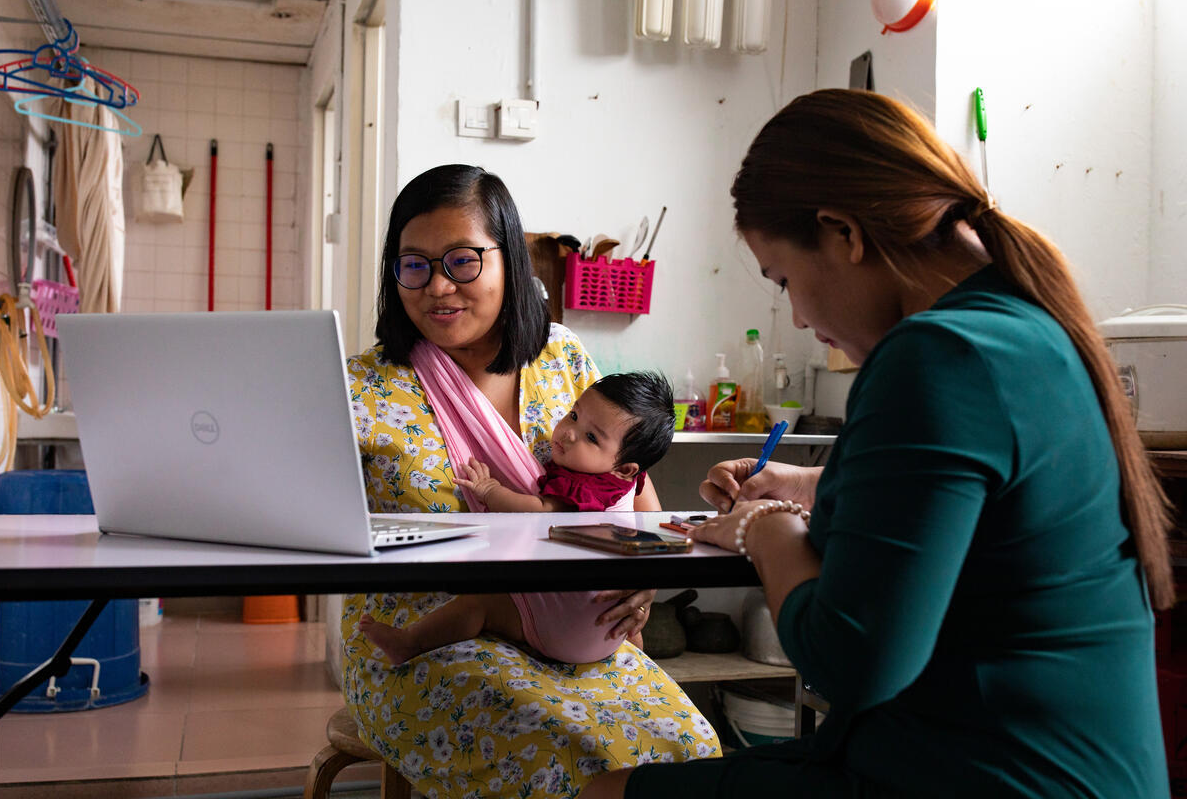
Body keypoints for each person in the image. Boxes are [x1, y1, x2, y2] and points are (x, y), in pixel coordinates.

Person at [586, 89, 1173, 798]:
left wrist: (762, 530)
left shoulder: (937, 355)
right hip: (1052, 764)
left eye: (784, 281)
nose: (798, 317)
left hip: (992, 773)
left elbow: (849, 662)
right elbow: (968, 509)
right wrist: (808, 487)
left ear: (843, 234)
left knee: (606, 791)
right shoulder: (1026, 328)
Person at [341, 164, 720, 798]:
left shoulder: (564, 357)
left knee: (690, 752)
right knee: (554, 753)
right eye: (413, 265)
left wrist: (643, 582)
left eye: (462, 262)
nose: (437, 287)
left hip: (574, 630)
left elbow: (636, 497)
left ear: (509, 262)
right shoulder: (362, 387)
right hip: (422, 633)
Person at [356, 370, 676, 666]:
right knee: (631, 627)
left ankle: (410, 642)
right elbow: (649, 526)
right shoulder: (630, 481)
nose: (568, 433)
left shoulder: (581, 488)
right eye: (574, 415)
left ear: (624, 468)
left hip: (563, 627)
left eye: (591, 437)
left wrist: (489, 489)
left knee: (480, 604)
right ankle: (637, 656)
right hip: (612, 632)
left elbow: (539, 511)